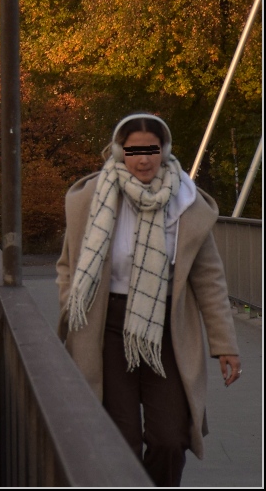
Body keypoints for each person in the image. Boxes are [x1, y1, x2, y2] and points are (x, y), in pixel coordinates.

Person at [56, 113, 240, 486]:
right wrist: (68, 305)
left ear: (164, 151)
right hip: (106, 328)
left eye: (151, 150)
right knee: (118, 438)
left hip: (167, 332)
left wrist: (225, 345)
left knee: (170, 440)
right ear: (119, 151)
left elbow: (209, 280)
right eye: (134, 150)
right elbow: (67, 264)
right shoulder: (91, 198)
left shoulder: (186, 203)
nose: (143, 159)